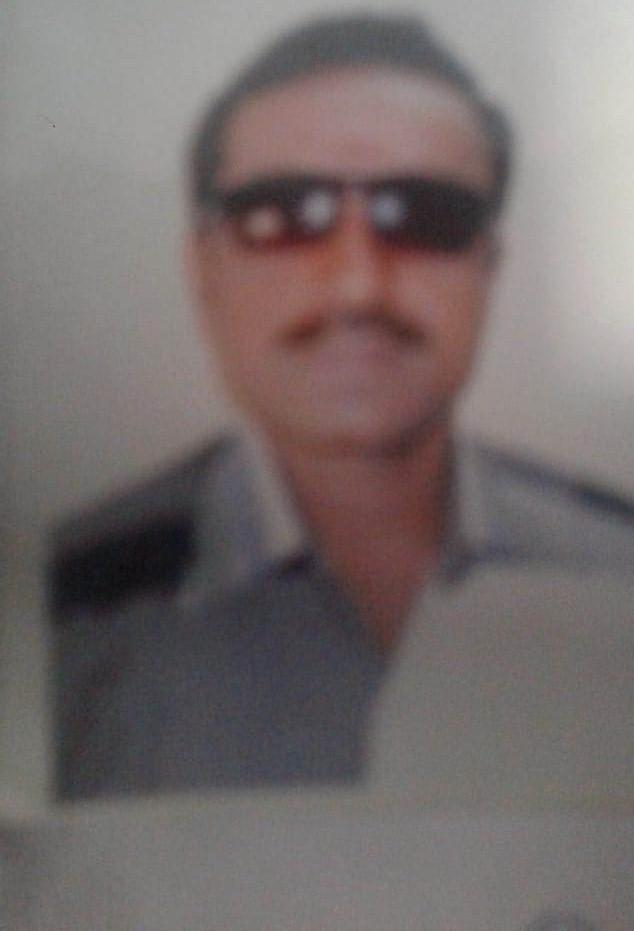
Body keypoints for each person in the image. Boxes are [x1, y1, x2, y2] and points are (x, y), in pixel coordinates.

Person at [49, 12, 634, 802]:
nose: (357, 285)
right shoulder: (66, 606)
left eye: (425, 215)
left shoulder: (617, 565)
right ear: (204, 268)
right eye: (282, 215)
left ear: (488, 267)